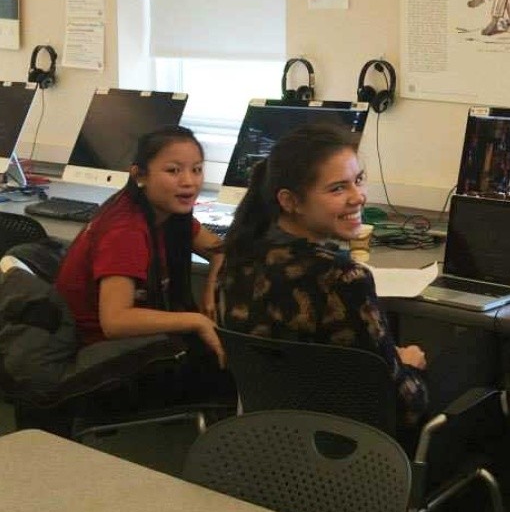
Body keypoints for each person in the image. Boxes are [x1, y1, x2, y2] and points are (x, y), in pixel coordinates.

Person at [219, 122, 429, 427]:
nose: (357, 197)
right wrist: (409, 367)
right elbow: (405, 407)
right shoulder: (342, 277)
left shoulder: (239, 255)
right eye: (337, 188)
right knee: (467, 365)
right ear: (289, 201)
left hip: (268, 437)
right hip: (353, 447)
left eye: (359, 180)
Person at [54, 125, 229, 401]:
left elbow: (220, 250)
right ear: (139, 176)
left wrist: (211, 285)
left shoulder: (164, 212)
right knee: (235, 367)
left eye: (196, 169)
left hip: (128, 341)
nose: (189, 181)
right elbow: (116, 321)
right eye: (173, 171)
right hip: (102, 353)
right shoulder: (126, 231)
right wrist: (196, 320)